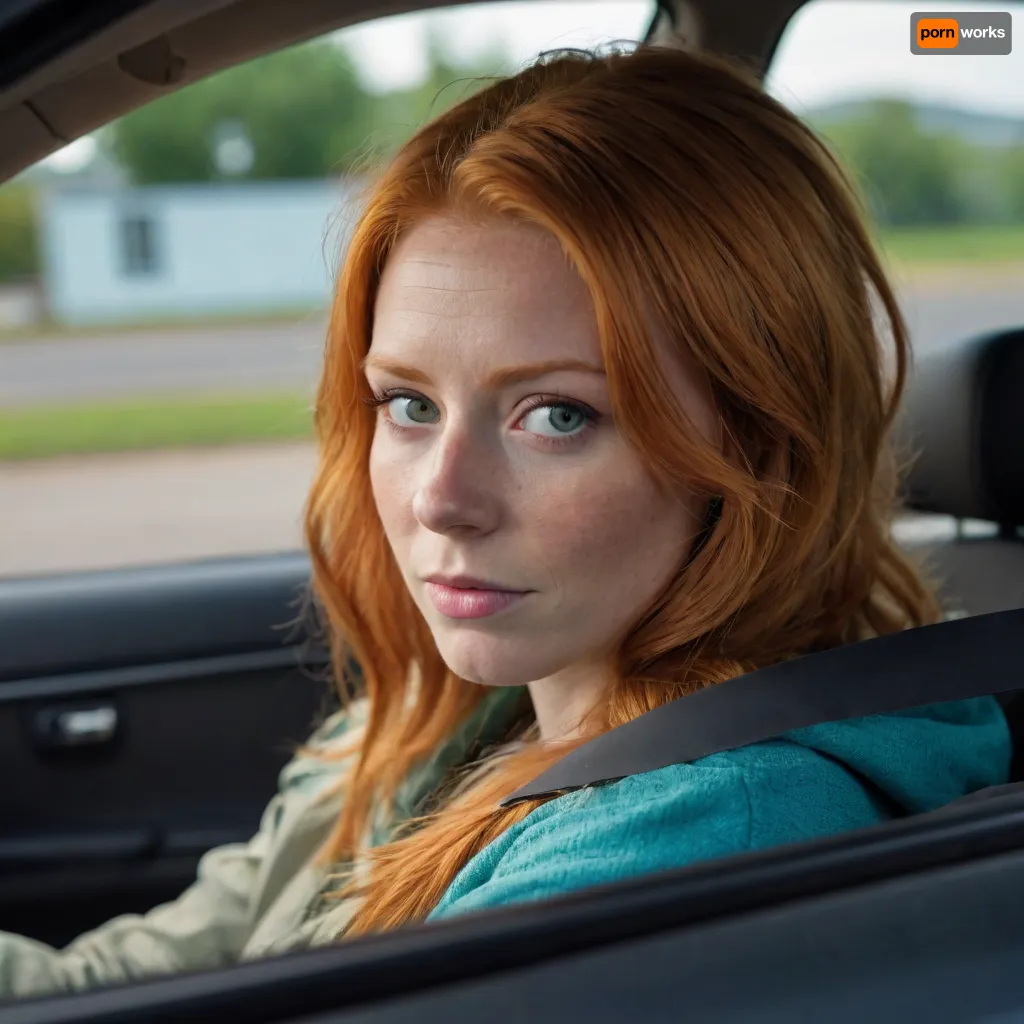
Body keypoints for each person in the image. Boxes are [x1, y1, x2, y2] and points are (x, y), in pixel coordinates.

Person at [0, 44, 1009, 998]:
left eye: (558, 416)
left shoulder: (699, 826)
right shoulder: (447, 705)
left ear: (755, 442)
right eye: (408, 404)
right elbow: (126, 980)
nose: (441, 498)